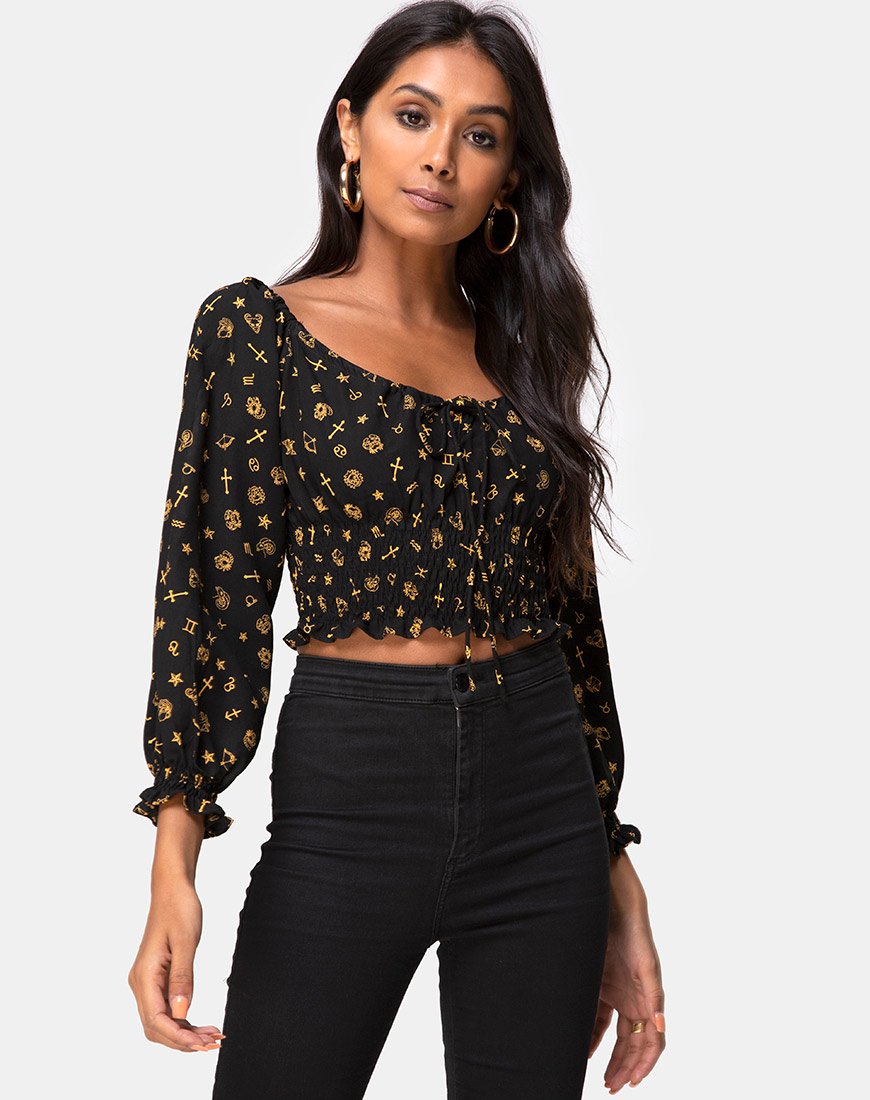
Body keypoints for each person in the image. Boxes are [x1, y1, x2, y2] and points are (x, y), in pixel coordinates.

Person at [127, 3, 666, 1096]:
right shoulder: (256, 331)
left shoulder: (526, 350)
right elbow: (211, 598)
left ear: (509, 177)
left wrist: (617, 872)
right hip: (353, 783)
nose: (441, 157)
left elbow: (572, 618)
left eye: (482, 134)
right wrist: (173, 861)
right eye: (414, 116)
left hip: (545, 800)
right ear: (351, 129)